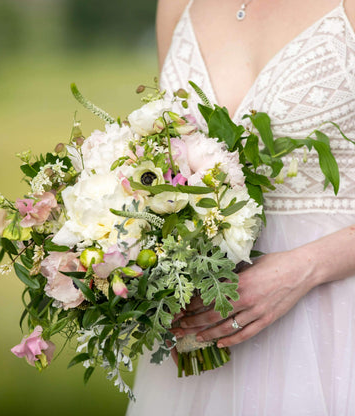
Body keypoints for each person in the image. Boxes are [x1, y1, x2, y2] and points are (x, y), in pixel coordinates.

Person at [126, 0, 355, 414]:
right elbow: (166, 154)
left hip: (333, 319)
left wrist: (303, 268)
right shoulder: (178, 6)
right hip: (203, 324)